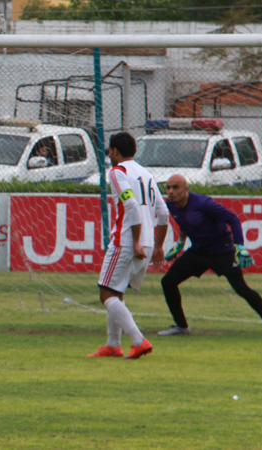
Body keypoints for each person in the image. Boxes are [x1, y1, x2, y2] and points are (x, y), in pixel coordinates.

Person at [158, 174, 262, 337]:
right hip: (198, 252)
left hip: (222, 252)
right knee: (168, 282)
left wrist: (239, 246)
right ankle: (181, 327)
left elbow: (233, 219)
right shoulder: (171, 204)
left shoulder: (203, 203)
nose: (170, 191)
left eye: (175, 187)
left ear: (185, 189)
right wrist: (180, 244)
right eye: (168, 188)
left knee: (241, 288)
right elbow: (184, 222)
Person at [87, 132, 169, 359]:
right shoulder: (147, 174)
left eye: (109, 151)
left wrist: (134, 241)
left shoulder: (117, 171)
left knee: (106, 294)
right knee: (117, 291)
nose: (109, 156)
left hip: (127, 240)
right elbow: (163, 213)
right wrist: (159, 246)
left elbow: (130, 205)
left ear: (114, 151)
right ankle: (113, 345)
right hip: (148, 241)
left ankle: (139, 341)